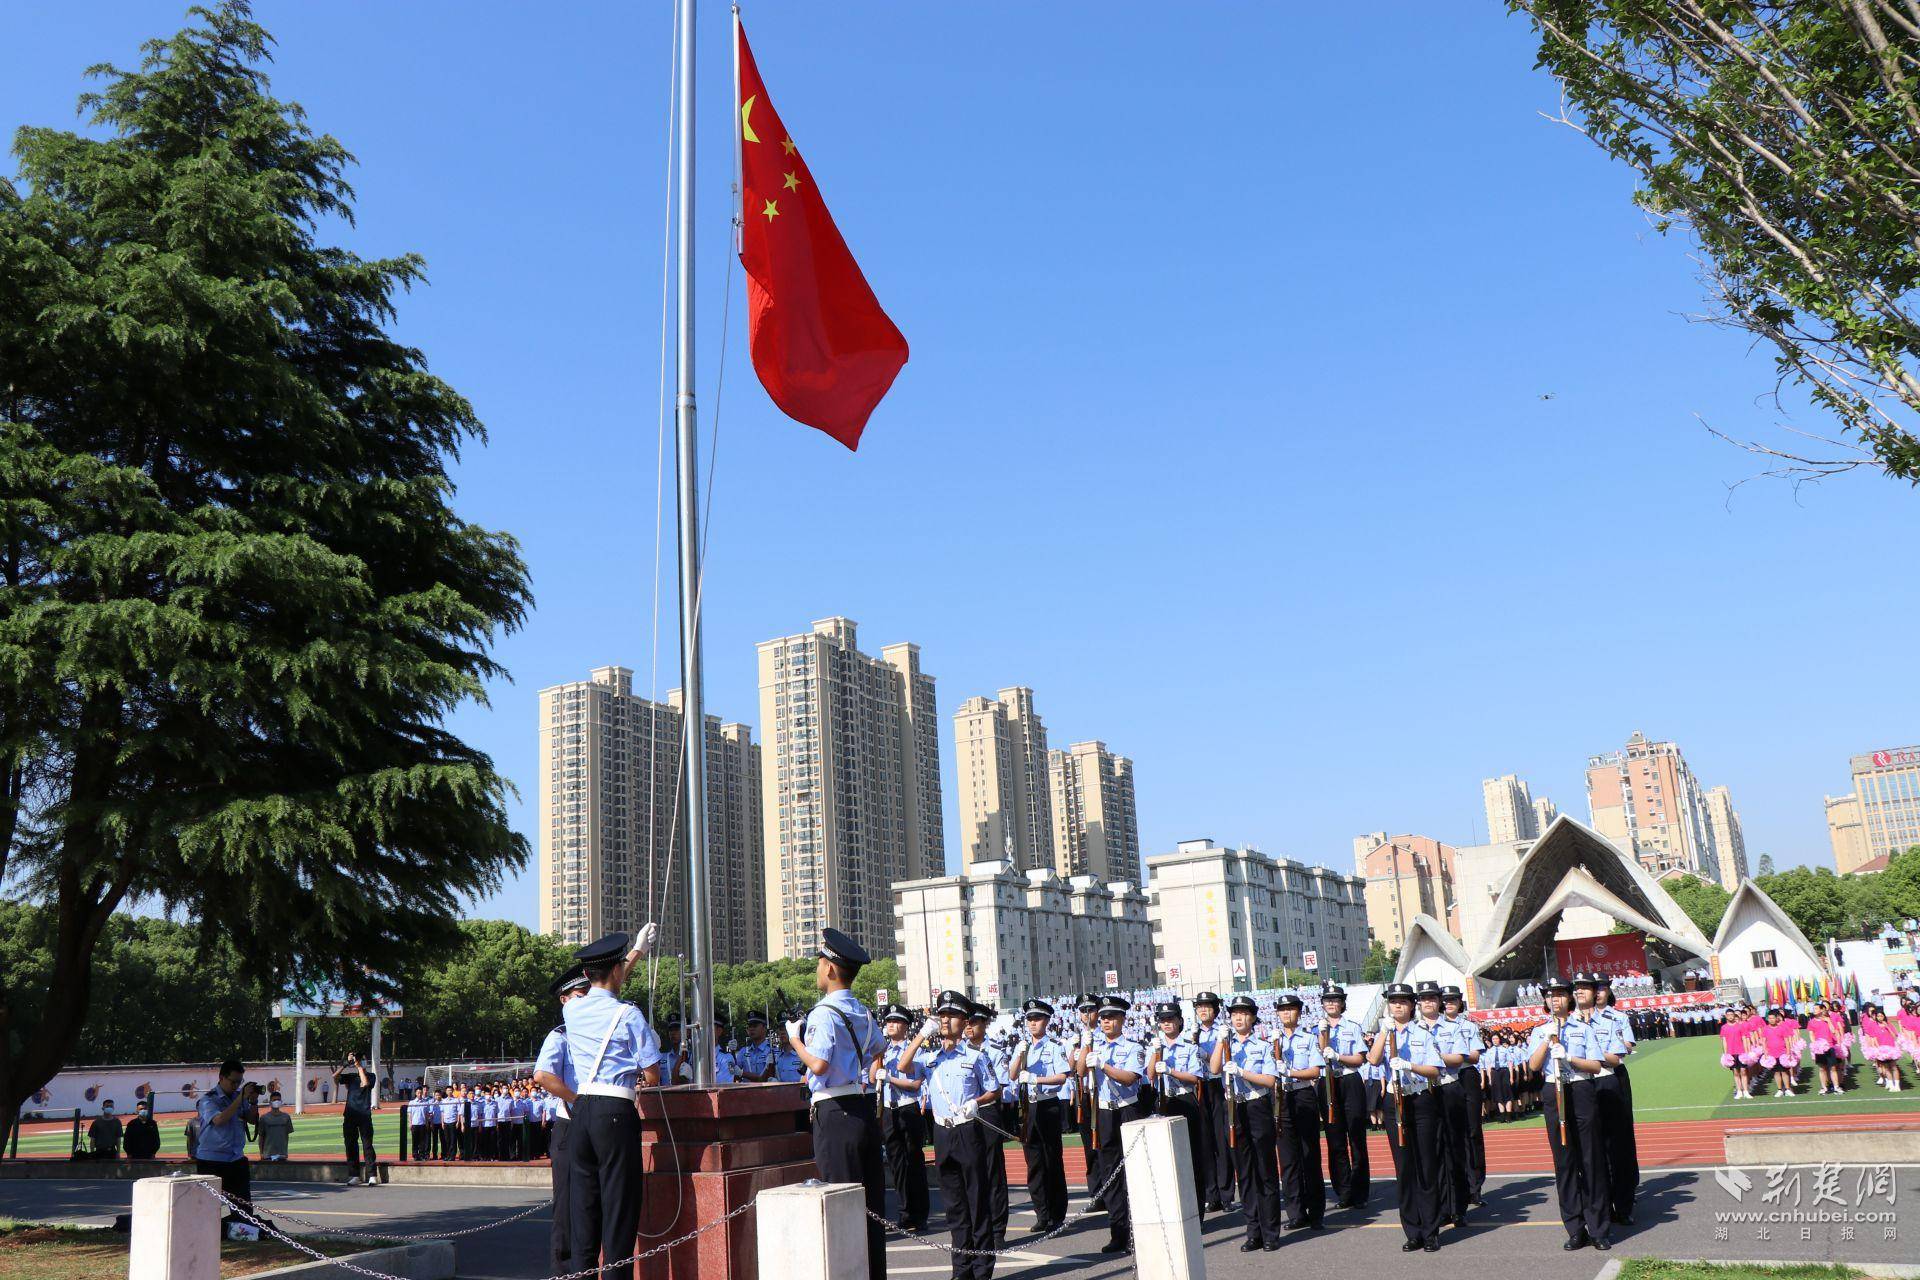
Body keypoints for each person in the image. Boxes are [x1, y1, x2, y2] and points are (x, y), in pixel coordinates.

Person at [563, 925, 664, 1278]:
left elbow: (608, 983)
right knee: (619, 1209)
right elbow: (653, 1074)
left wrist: (634, 954)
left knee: (585, 1208)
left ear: (586, 974)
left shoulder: (572, 1011)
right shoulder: (629, 1015)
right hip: (616, 1111)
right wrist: (636, 951)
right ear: (617, 970)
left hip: (582, 1109)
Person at [788, 928, 887, 1280]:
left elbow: (817, 1065)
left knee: (840, 1204)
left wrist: (794, 1039)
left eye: (819, 962)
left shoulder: (823, 1013)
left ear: (830, 968)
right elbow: (880, 1048)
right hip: (859, 1107)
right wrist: (857, 1068)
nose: (817, 968)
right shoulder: (861, 1010)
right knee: (870, 1204)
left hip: (834, 1113)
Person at [900, 991, 998, 1280]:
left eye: (952, 1015)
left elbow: (994, 1089)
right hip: (942, 1132)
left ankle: (982, 1270)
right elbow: (904, 1066)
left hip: (967, 1130)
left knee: (977, 1201)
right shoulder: (931, 1059)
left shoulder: (976, 1057)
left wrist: (976, 1103)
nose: (945, 1019)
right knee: (954, 1205)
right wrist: (920, 1035)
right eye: (942, 1015)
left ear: (964, 1020)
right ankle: (962, 1269)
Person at [1531, 975, 1618, 1251]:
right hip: (1552, 1091)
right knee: (1565, 1162)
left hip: (1580, 1090)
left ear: (1569, 998)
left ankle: (1599, 1227)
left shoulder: (1583, 1028)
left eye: (1559, 994)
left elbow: (1595, 1065)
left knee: (1591, 1160)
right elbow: (1533, 1066)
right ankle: (1575, 1226)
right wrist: (1547, 1042)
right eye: (1549, 994)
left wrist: (1569, 1057)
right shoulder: (1538, 1031)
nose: (1554, 998)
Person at [1369, 982, 1443, 1252]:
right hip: (1394, 1100)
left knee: (1426, 1166)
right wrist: (1383, 1032)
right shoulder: (1385, 1030)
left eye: (1402, 1001)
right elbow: (1374, 1060)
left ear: (1412, 1005)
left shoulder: (1421, 1032)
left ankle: (1431, 1230)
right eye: (1393, 1001)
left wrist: (1410, 1065)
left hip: (1419, 1099)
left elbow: (1435, 1069)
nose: (1397, 1005)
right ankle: (1412, 1230)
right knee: (1404, 1167)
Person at [1210, 993, 1280, 1252]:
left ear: (1252, 1018)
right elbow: (1215, 1068)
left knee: (1265, 1171)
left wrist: (1242, 1072)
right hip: (1234, 1107)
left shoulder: (1261, 1046)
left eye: (1244, 1013)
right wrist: (1220, 1041)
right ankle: (1253, 1232)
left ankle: (1271, 1232)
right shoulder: (1227, 1045)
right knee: (1245, 1173)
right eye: (1234, 1014)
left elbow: (1270, 1081)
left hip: (1257, 1105)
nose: (1239, 1017)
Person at [534, 963, 590, 1275]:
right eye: (580, 995)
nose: (586, 1001)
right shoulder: (561, 1036)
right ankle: (565, 1271)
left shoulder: (594, 1033)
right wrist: (576, 1100)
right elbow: (542, 1075)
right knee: (567, 1209)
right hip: (571, 1124)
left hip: (596, 1123)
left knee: (592, 1202)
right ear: (564, 1000)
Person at [1080, 993, 1145, 1255]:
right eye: (1103, 1017)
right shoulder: (1095, 1047)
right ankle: (1117, 1231)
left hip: (1127, 1110)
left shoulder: (1132, 1047)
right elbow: (1080, 1072)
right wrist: (1085, 1047)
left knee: (1133, 1171)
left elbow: (1130, 1078)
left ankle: (1137, 1229)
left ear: (1122, 1019)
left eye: (1112, 1017)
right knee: (1111, 1174)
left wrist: (1104, 1065)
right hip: (1105, 1113)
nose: (1106, 1021)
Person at [1007, 999, 1071, 1233]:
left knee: (1052, 1160)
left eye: (1037, 1019)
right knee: (1033, 1163)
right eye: (1030, 1020)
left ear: (1046, 1021)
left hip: (1047, 1106)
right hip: (1028, 1107)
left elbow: (1063, 1076)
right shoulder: (1021, 1046)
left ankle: (1057, 1214)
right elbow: (1012, 1075)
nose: (1033, 1023)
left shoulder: (1054, 1046)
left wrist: (1037, 1079)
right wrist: (1019, 1056)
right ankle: (1042, 1214)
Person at [1145, 1001, 1207, 1214]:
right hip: (1164, 1101)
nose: (1167, 1023)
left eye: (1171, 1019)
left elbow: (1195, 1078)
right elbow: (1150, 1076)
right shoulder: (1155, 1047)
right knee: (1167, 1159)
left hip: (1185, 1101)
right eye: (1163, 1020)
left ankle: (1197, 1211)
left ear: (1180, 1021)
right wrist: (1155, 1053)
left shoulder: (1189, 1047)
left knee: (1192, 1159)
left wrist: (1172, 1071)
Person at [1270, 992, 1325, 1231]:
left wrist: (1290, 1072)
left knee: (1309, 1154)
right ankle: (1295, 1212)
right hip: (1281, 1097)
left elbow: (1315, 1071)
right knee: (1288, 1158)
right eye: (1282, 1010)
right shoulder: (1272, 1040)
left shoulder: (1309, 1038)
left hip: (1302, 1093)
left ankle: (1316, 1212)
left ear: (1299, 1012)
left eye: (1291, 1009)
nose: (1286, 1013)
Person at [875, 1004, 931, 1232]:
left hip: (908, 1108)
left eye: (896, 1021)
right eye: (888, 1021)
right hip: (889, 1110)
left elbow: (915, 1084)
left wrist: (890, 1078)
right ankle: (905, 1213)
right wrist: (876, 1055)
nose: (890, 1024)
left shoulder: (913, 1049)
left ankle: (920, 1215)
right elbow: (871, 1077)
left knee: (914, 1161)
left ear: (906, 1026)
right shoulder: (883, 1050)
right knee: (897, 1165)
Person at [1589, 977, 1639, 1224]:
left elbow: (1626, 1047)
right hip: (1586, 1079)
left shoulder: (1617, 1017)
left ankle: (1625, 1197)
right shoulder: (1577, 1018)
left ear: (1608, 991)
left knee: (1621, 1140)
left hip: (1613, 1076)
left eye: (1601, 988)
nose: (1597, 993)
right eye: (1592, 989)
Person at [962, 1001, 1011, 1246]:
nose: (969, 1028)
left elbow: (1000, 1087)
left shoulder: (995, 1051)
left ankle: (997, 1229)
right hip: (965, 1117)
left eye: (974, 1023)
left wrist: (977, 1101)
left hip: (987, 1112)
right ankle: (977, 1225)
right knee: (971, 1172)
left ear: (983, 1024)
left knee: (993, 1172)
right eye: (967, 1023)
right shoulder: (959, 1050)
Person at [1316, 983, 1369, 1209]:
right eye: (1327, 1000)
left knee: (1356, 1137)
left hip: (1349, 1079)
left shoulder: (1352, 1027)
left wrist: (1338, 1055)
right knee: (1335, 1139)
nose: (1331, 1003)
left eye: (1335, 1000)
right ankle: (1343, 1191)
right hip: (1327, 1081)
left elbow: (1359, 1059)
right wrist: (1321, 1035)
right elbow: (1316, 1057)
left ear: (1342, 1003)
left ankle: (1360, 1192)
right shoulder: (1315, 1029)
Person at [196, 1059, 262, 1224]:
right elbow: (219, 1120)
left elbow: (252, 1120)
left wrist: (253, 1101)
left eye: (239, 1082)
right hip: (211, 1161)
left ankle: (241, 1232)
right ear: (221, 1077)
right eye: (233, 1082)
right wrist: (240, 1098)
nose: (236, 1086)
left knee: (244, 1210)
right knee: (209, 1208)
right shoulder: (207, 1100)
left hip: (236, 1159)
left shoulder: (238, 1097)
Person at [1439, 986, 1487, 1210]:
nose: (1449, 1003)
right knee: (1449, 1133)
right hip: (1444, 1077)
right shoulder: (1434, 1026)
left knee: (1473, 1131)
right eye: (1445, 1000)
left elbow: (1475, 1056)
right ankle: (1454, 1187)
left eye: (1453, 1000)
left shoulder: (1468, 1026)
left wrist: (1456, 1056)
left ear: (1460, 1002)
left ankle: (1474, 1186)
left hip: (1466, 1074)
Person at [1189, 991, 1231, 1212]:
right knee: (1204, 1142)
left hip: (1218, 1085)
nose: (1203, 1010)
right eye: (1199, 1007)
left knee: (1221, 1142)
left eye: (1207, 1006)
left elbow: (1226, 1061)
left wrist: (1206, 1054)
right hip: (1200, 1086)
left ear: (1215, 1010)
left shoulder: (1222, 1031)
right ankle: (1211, 1194)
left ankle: (1226, 1195)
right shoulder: (1192, 1033)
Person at [1068, 993, 1100, 1196]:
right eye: (1083, 1010)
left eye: (1090, 1009)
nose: (1087, 1014)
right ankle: (1096, 1191)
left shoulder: (1104, 1034)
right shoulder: (1075, 1038)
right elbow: (1070, 1068)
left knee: (1106, 1143)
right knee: (1089, 1144)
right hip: (1084, 1094)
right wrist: (1075, 1047)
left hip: (1101, 1093)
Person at [333, 1054, 378, 1186]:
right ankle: (354, 1175)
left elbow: (365, 1084)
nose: (359, 1061)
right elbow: (334, 1077)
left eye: (362, 1059)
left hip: (364, 1114)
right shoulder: (351, 1077)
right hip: (350, 1114)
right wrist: (345, 1064)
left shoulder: (371, 1076)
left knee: (367, 1145)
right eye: (359, 1059)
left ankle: (372, 1175)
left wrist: (359, 1067)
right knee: (350, 1145)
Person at [735, 1013, 776, 1082]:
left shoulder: (773, 1051)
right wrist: (732, 1053)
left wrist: (742, 1073)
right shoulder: (743, 1051)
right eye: (749, 1026)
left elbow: (770, 1077)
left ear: (765, 1028)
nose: (751, 1029)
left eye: (755, 1026)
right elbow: (734, 1074)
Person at [257, 1093, 294, 1161]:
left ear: (281, 1101)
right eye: (274, 1100)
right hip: (268, 1155)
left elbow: (286, 1136)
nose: (276, 1101)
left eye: (278, 1100)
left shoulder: (286, 1117)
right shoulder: (264, 1118)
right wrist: (261, 1153)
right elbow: (261, 1137)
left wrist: (285, 1151)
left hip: (282, 1155)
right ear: (270, 1102)